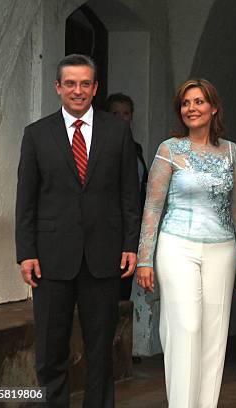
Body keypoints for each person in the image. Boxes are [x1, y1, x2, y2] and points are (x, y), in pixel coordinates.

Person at [15, 54, 140, 407]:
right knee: (50, 351)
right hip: (51, 258)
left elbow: (129, 193)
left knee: (101, 351)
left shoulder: (117, 131)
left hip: (104, 256)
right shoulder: (36, 134)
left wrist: (131, 244)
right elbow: (26, 200)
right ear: (58, 87)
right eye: (70, 83)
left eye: (85, 83)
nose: (78, 90)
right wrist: (26, 252)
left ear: (95, 87)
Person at [135, 78, 236, 407]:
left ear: (213, 108)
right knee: (186, 327)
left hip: (223, 249)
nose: (192, 108)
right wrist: (144, 259)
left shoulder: (230, 150)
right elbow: (153, 206)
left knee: (214, 333)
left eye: (198, 102)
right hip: (176, 246)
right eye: (186, 103)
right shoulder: (169, 149)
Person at [105, 93, 149, 300]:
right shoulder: (101, 148)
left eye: (126, 113)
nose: (122, 118)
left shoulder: (135, 149)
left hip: (131, 231)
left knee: (123, 293)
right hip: (109, 232)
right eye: (116, 113)